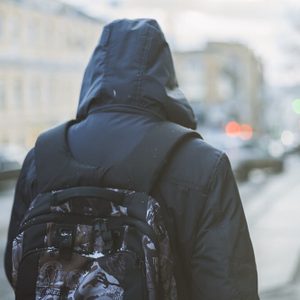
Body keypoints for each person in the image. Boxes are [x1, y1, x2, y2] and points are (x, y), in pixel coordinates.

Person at [5, 18, 259, 299]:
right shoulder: (203, 164)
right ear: (166, 76)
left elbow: (17, 267)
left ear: (94, 72)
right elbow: (229, 286)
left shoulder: (42, 156)